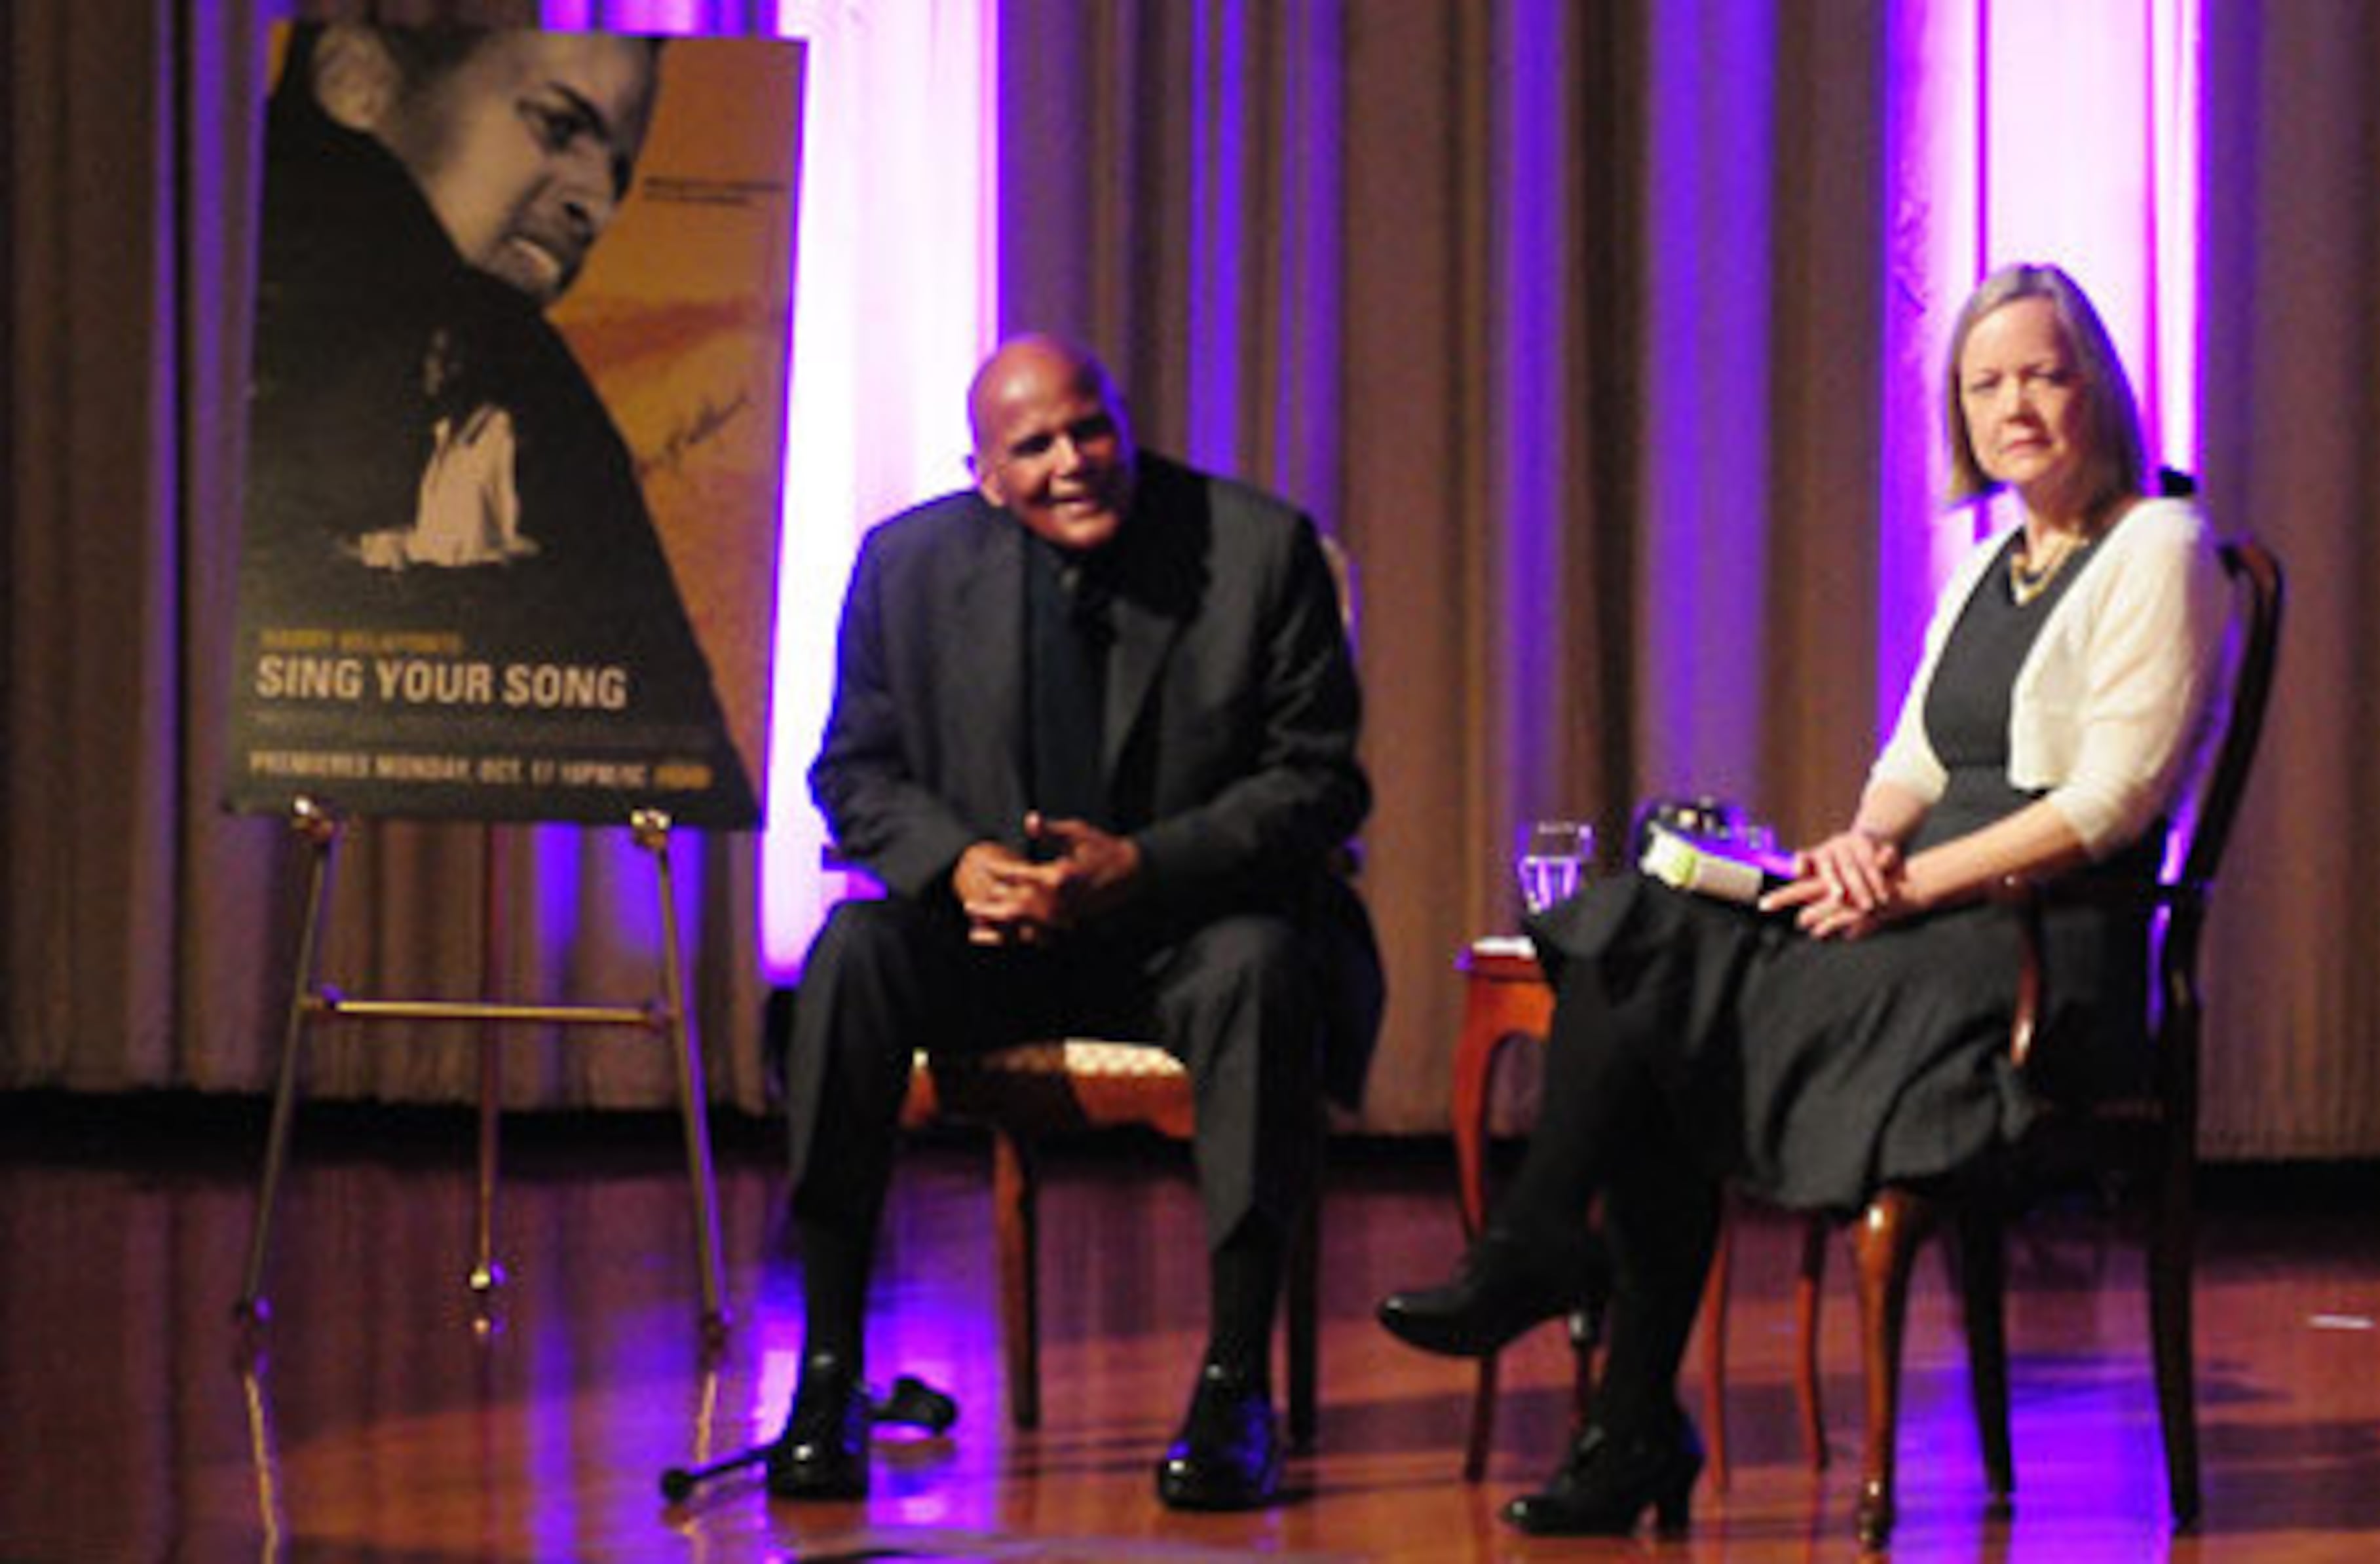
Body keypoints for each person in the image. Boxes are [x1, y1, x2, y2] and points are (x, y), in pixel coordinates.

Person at [1376, 263, 2229, 1537]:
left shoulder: (2162, 545)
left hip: (2038, 950)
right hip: (1921, 911)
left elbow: (2111, 802)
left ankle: (1585, 1335)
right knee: (1645, 932)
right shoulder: (1989, 566)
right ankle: (1588, 1338)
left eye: (2043, 376)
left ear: (2095, 384)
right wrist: (1856, 850)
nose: (2014, 408)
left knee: (1670, 1018)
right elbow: (1913, 763)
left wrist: (1909, 886)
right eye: (1984, 385)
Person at [774, 335, 1383, 1511]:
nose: (1072, 462)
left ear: (1123, 424)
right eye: (1034, 446)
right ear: (985, 473)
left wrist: (1143, 867)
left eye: (1090, 429)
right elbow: (854, 772)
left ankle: (1233, 1388)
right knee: (850, 956)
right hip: (991, 942)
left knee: (1263, 967)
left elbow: (1319, 782)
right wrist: (959, 866)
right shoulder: (906, 564)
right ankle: (831, 1372)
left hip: (1183, 933)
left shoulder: (1259, 550)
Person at [231, 22, 753, 824]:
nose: (597, 203)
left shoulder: (520, 374)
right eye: (559, 125)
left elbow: (675, 741)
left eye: (619, 170)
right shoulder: (224, 318)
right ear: (355, 78)